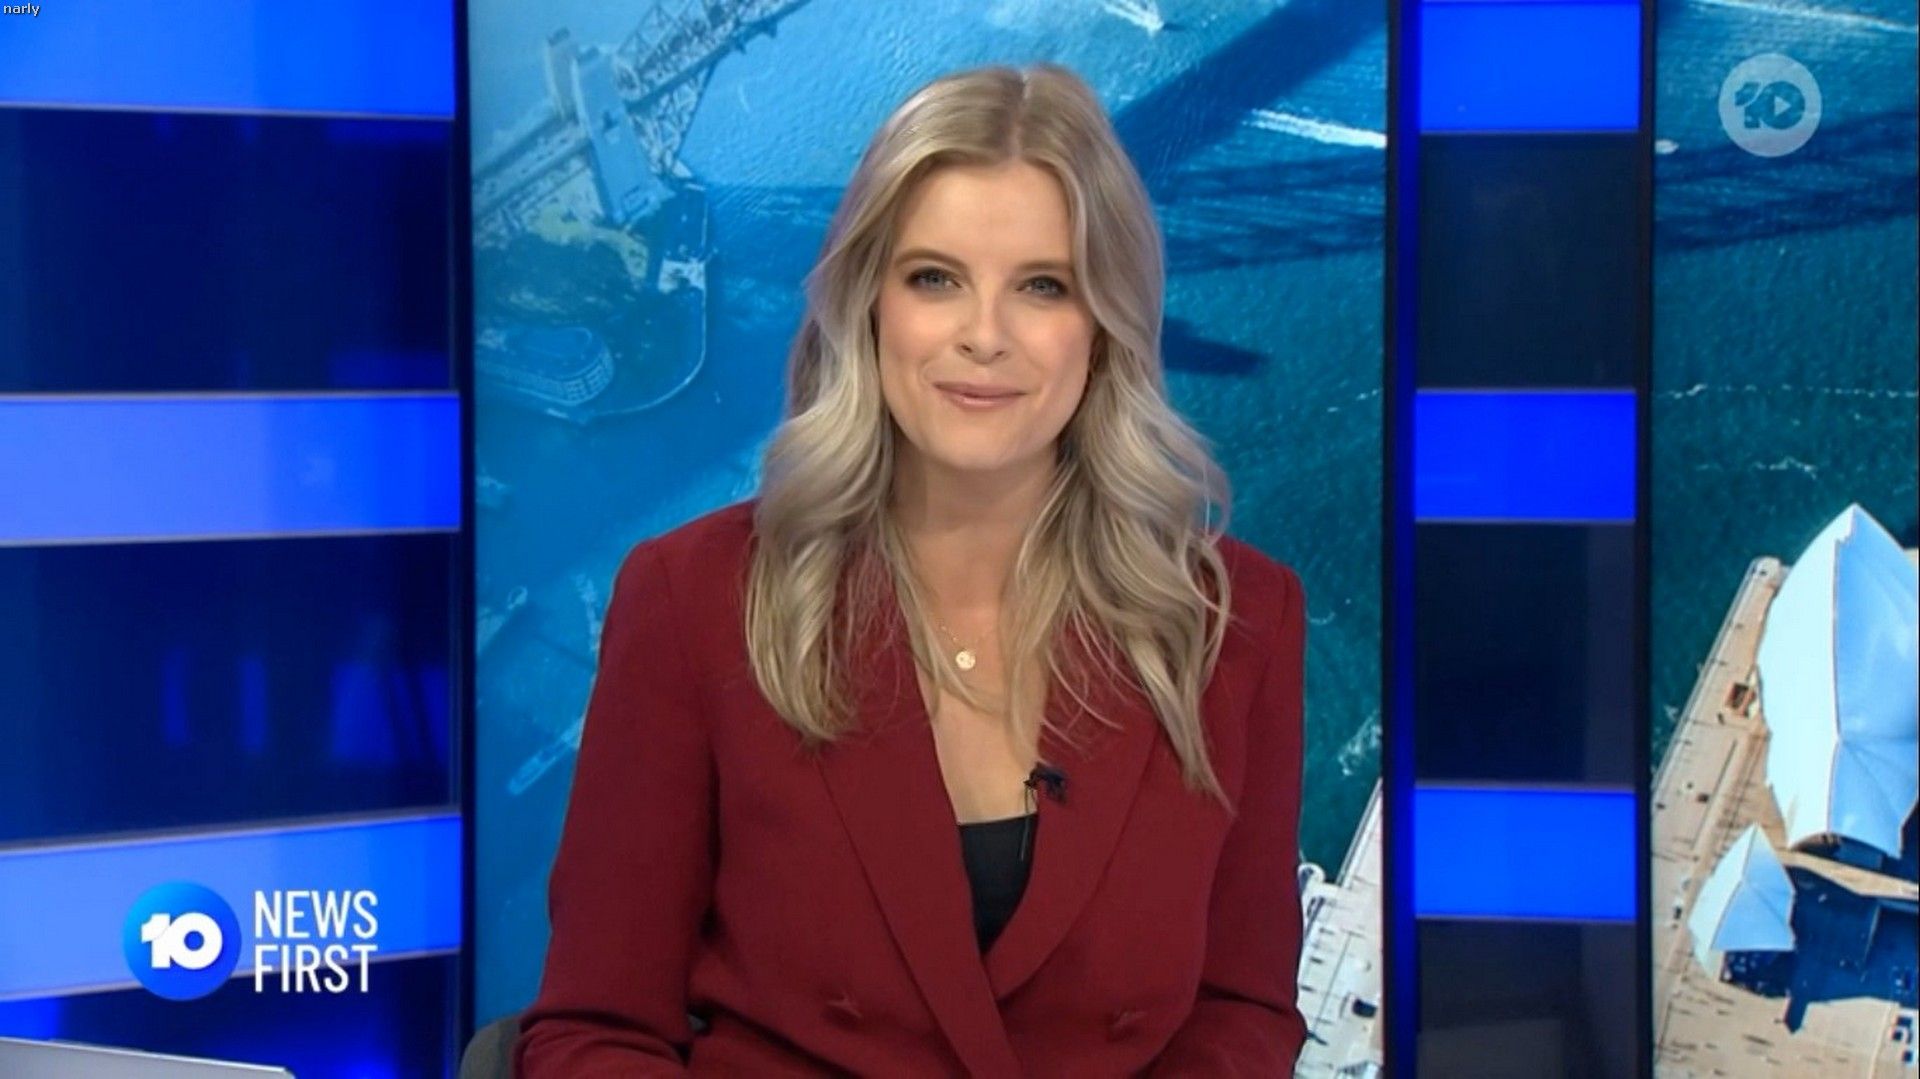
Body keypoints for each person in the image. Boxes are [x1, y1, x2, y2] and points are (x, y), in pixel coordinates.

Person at [514, 62, 1308, 1076]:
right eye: (935, 278)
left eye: (1043, 286)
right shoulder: (691, 600)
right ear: (868, 304)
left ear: (1106, 324)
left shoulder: (1237, 621)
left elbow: (1240, 1010)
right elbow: (595, 1031)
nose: (984, 336)